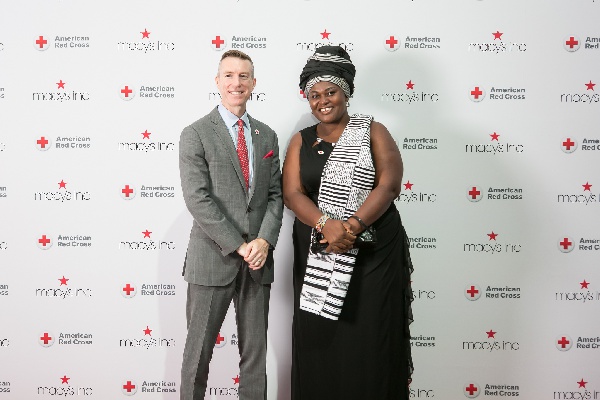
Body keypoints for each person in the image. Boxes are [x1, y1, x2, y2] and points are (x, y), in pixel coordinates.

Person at [282, 46, 414, 399]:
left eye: (330, 92)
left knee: (372, 336)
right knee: (320, 338)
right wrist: (327, 225)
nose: (322, 101)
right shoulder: (301, 140)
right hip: (320, 252)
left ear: (346, 93)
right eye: (314, 95)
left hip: (373, 255)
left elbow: (389, 184)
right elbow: (293, 193)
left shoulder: (373, 130)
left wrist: (352, 226)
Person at [179, 49, 283, 400]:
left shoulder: (266, 136)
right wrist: (239, 245)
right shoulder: (195, 133)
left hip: (257, 262)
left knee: (255, 358)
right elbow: (198, 199)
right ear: (217, 81)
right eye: (229, 75)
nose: (236, 83)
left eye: (243, 76)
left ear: (254, 83)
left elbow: (275, 196)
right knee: (198, 356)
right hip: (213, 260)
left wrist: (264, 241)